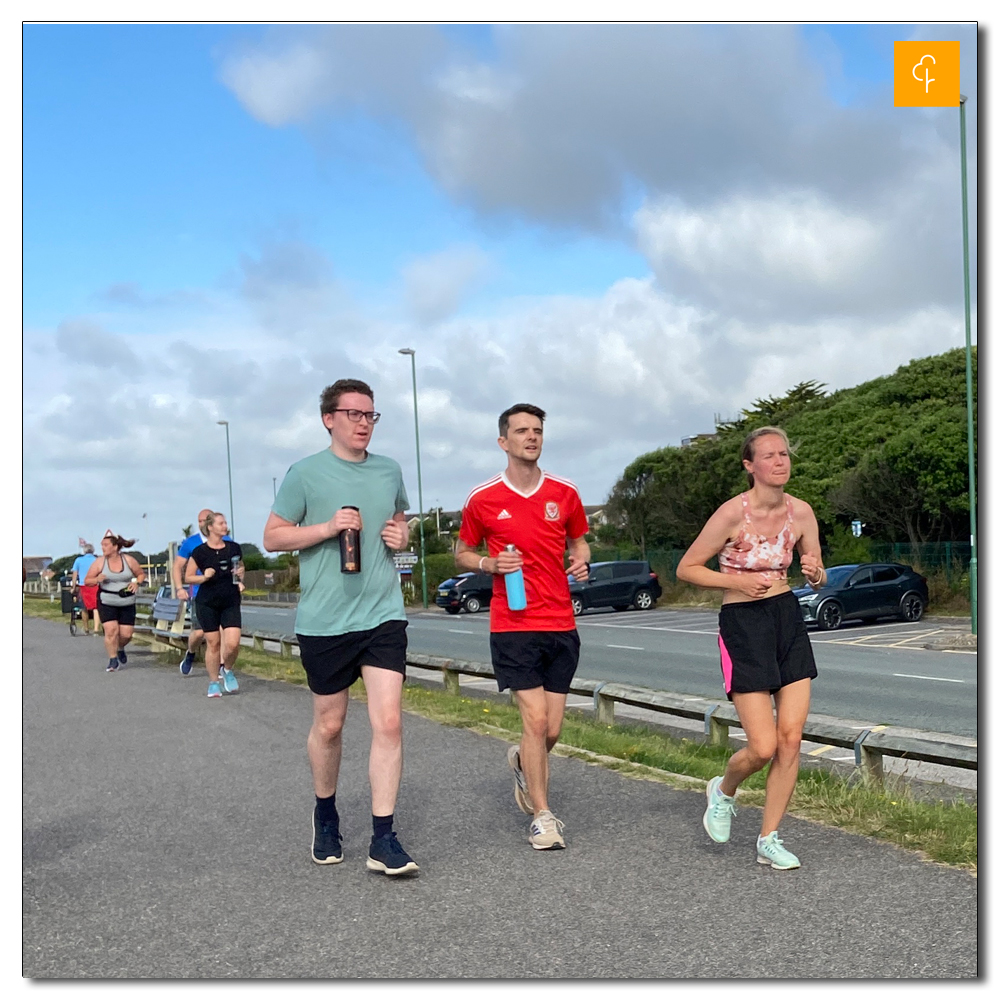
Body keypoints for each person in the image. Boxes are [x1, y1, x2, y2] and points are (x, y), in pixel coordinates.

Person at [263, 378, 417, 876]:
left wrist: (401, 533)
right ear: (329, 418)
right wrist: (328, 528)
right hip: (326, 620)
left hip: (382, 614)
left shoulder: (389, 469)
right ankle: (325, 814)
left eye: (370, 415)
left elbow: (399, 520)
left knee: (388, 722)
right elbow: (272, 536)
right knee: (330, 726)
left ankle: (384, 838)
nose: (363, 423)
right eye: (353, 414)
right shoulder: (305, 473)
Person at [676, 426, 826, 871]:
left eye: (784, 454)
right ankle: (723, 791)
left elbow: (817, 573)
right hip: (742, 624)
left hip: (787, 620)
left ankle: (769, 837)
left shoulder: (802, 512)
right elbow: (687, 568)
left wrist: (815, 573)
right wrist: (737, 580)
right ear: (750, 466)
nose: (780, 461)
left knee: (791, 739)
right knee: (761, 747)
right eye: (769, 455)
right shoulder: (730, 515)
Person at [455, 403, 590, 851]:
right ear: (503, 442)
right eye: (521, 431)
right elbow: (462, 553)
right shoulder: (483, 498)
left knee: (551, 731)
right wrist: (489, 563)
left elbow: (579, 540)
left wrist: (581, 560)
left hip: (560, 621)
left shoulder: (565, 493)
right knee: (533, 720)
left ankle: (521, 762)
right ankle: (544, 817)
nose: (531, 437)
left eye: (537, 431)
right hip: (512, 625)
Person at [185, 512, 244, 699]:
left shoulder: (234, 548)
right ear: (210, 527)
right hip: (207, 602)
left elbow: (241, 569)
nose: (225, 525)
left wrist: (241, 575)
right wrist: (203, 577)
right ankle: (213, 682)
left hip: (230, 600)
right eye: (221, 523)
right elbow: (188, 576)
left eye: (225, 522)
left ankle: (227, 669)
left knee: (233, 644)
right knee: (213, 643)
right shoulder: (200, 552)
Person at [174, 509, 235, 683]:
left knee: (222, 632)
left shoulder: (227, 541)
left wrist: (237, 581)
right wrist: (179, 588)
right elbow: (178, 566)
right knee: (200, 632)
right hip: (201, 594)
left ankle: (222, 667)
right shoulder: (191, 543)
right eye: (199, 521)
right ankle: (191, 653)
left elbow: (235, 564)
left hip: (224, 594)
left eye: (204, 521)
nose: (202, 524)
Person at [85, 530, 146, 672]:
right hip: (107, 601)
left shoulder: (129, 560)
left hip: (126, 602)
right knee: (111, 630)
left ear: (115, 547)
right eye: (102, 545)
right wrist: (96, 580)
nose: (103, 548)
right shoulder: (100, 562)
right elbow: (87, 580)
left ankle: (120, 647)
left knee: (126, 634)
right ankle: (113, 660)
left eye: (105, 545)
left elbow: (141, 574)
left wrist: (137, 582)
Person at [70, 543, 99, 636]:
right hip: (95, 585)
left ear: (84, 551)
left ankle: (86, 628)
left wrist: (73, 587)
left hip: (83, 585)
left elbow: (75, 575)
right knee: (96, 608)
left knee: (84, 608)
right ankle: (96, 629)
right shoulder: (97, 560)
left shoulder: (78, 560)